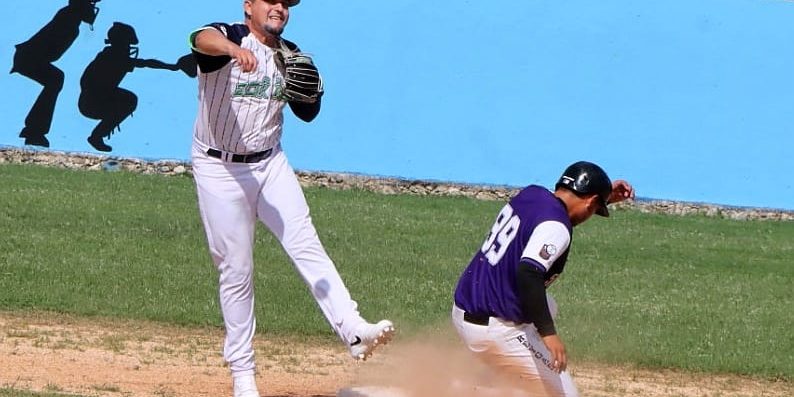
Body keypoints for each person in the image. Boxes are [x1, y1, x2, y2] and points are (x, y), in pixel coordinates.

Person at [188, 1, 395, 396]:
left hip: (269, 163)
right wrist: (235, 51)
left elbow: (308, 112)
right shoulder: (228, 36)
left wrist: (311, 92)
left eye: (287, 3)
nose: (280, 7)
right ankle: (243, 375)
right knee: (237, 269)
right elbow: (199, 39)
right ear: (249, 5)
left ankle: (353, 330)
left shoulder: (291, 56)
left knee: (305, 243)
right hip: (219, 168)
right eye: (272, 0)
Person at [452, 161, 635, 397]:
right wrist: (549, 334)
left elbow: (551, 218)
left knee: (549, 305)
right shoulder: (557, 226)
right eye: (595, 208)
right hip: (494, 331)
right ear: (590, 202)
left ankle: (494, 374)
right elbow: (529, 274)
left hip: (464, 309)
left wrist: (604, 195)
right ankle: (489, 383)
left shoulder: (532, 194)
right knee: (566, 395)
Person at [11, 0, 102, 148]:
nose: (92, 10)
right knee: (56, 79)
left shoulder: (71, 19)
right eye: (90, 5)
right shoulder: (69, 17)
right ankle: (35, 131)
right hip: (29, 57)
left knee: (56, 79)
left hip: (29, 57)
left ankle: (34, 130)